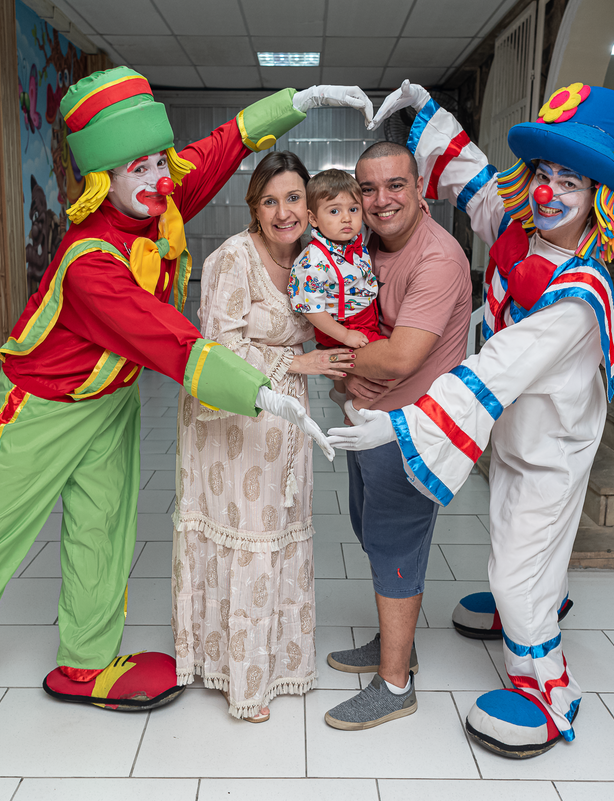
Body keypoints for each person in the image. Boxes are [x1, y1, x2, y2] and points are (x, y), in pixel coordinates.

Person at [0, 67, 373, 776]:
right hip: (43, 403)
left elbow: (228, 142)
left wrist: (303, 100)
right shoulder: (89, 260)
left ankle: (86, 660)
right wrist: (268, 391)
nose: (161, 176)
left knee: (103, 530)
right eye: (140, 166)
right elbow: (174, 341)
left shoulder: (160, 194)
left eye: (160, 160)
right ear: (105, 177)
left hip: (112, 401)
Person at [329, 81, 614, 758]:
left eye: (572, 180)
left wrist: (398, 424)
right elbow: (477, 180)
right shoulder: (520, 236)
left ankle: (547, 692)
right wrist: (424, 111)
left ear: (602, 196)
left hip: (552, 446)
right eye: (545, 174)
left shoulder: (578, 294)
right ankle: (536, 598)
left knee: (516, 567)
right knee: (516, 534)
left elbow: (497, 366)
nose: (548, 191)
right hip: (516, 435)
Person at [172, 152, 355, 723]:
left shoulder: (313, 258)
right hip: (231, 419)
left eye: (294, 198)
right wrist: (301, 365)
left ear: (310, 202)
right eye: (270, 200)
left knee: (279, 528)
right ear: (254, 207)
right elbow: (218, 351)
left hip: (285, 421)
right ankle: (239, 679)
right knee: (248, 533)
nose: (284, 211)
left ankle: (277, 661)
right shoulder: (233, 258)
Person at [320, 141, 473, 731]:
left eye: (395, 186)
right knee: (369, 527)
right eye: (367, 188)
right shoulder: (364, 246)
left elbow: (404, 357)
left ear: (420, 188)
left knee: (394, 544)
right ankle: (397, 645)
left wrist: (326, 361)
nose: (380, 200)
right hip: (370, 422)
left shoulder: (437, 258)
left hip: (412, 429)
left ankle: (393, 684)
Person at [289, 169, 385, 402]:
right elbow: (312, 309)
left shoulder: (353, 241)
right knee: (388, 365)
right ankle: (352, 405)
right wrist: (345, 335)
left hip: (364, 314)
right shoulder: (313, 261)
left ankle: (342, 394)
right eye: (334, 211)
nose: (346, 218)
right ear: (313, 219)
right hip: (342, 324)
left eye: (353, 209)